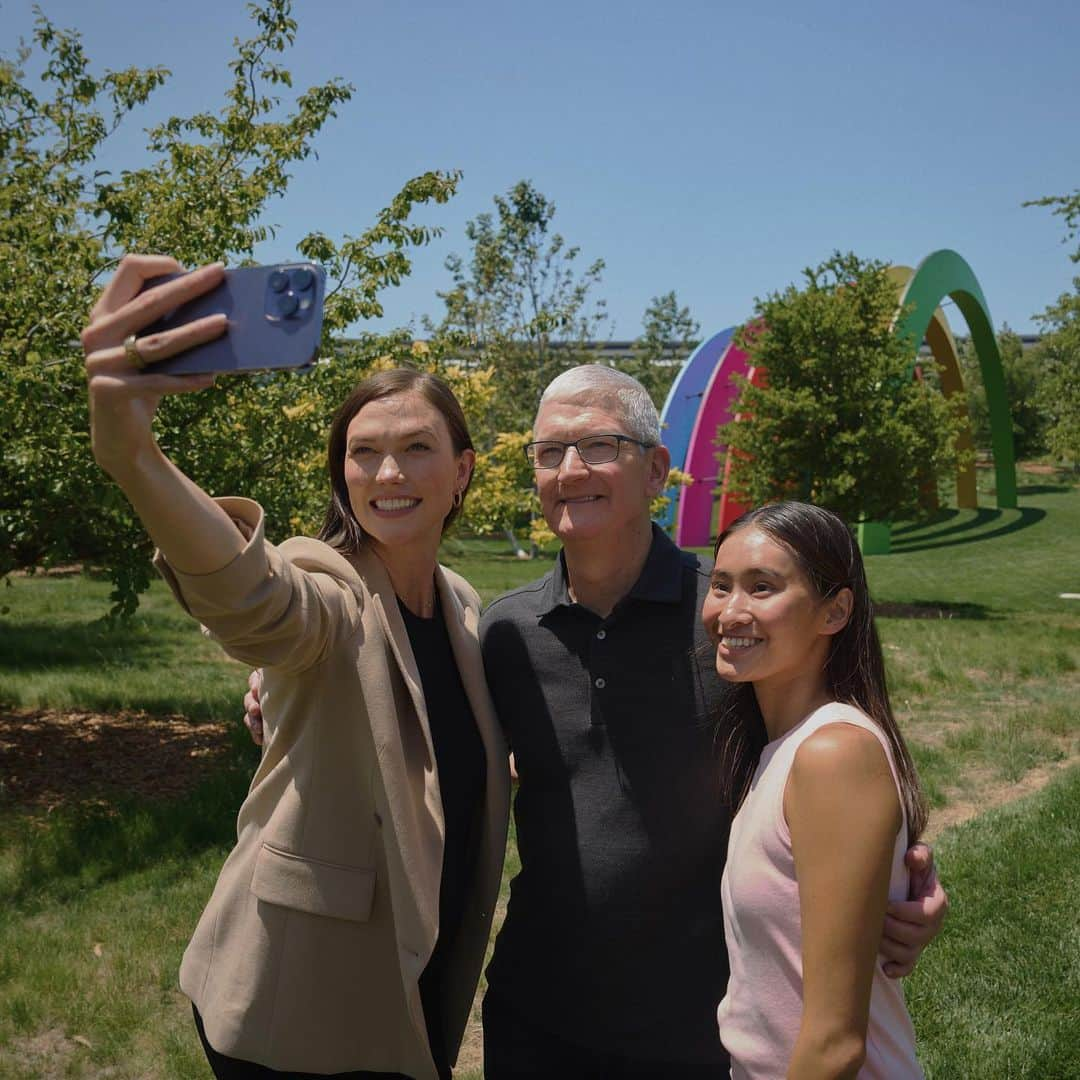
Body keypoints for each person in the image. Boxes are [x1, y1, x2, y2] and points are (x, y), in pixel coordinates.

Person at [246, 364, 947, 1077]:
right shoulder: (508, 633)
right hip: (538, 1016)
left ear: (657, 471)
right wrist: (286, 687)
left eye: (599, 446)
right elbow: (417, 729)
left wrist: (908, 881)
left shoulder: (733, 624)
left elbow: (829, 761)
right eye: (549, 453)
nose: (571, 470)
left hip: (701, 1025)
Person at [83, 255, 510, 1080]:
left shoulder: (460, 602)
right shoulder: (331, 582)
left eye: (417, 448)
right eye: (364, 453)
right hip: (297, 999)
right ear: (342, 477)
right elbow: (259, 601)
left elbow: (432, 745)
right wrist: (134, 455)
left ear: (461, 473)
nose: (388, 473)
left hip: (413, 976)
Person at [706, 502, 925, 1077]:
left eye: (762, 587)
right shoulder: (776, 748)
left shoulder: (832, 755)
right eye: (721, 585)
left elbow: (835, 1043)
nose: (731, 611)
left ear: (835, 612)